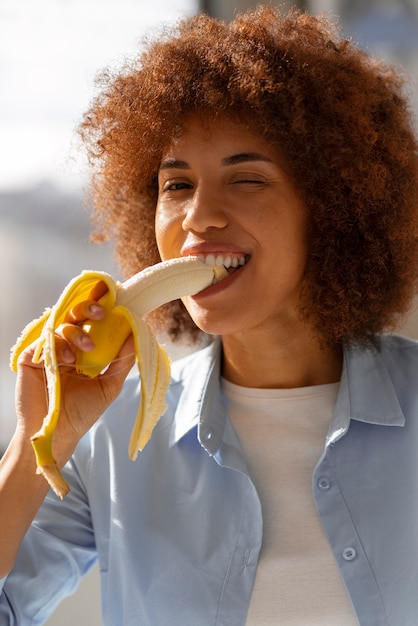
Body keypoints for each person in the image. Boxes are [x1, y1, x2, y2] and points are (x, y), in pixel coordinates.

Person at [1, 5, 418, 625]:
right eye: (176, 185)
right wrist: (40, 445)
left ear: (333, 208)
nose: (198, 218)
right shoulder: (109, 441)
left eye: (246, 179)